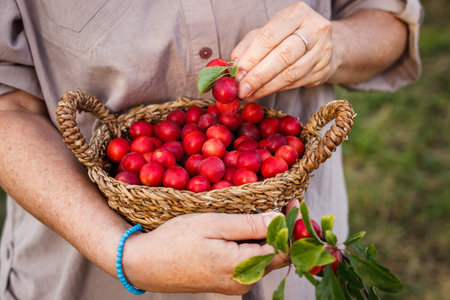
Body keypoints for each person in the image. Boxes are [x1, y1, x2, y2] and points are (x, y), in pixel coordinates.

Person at [0, 0, 422, 299]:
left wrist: (336, 48)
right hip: (90, 270)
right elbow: (8, 107)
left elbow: (389, 19)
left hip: (292, 241)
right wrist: (127, 254)